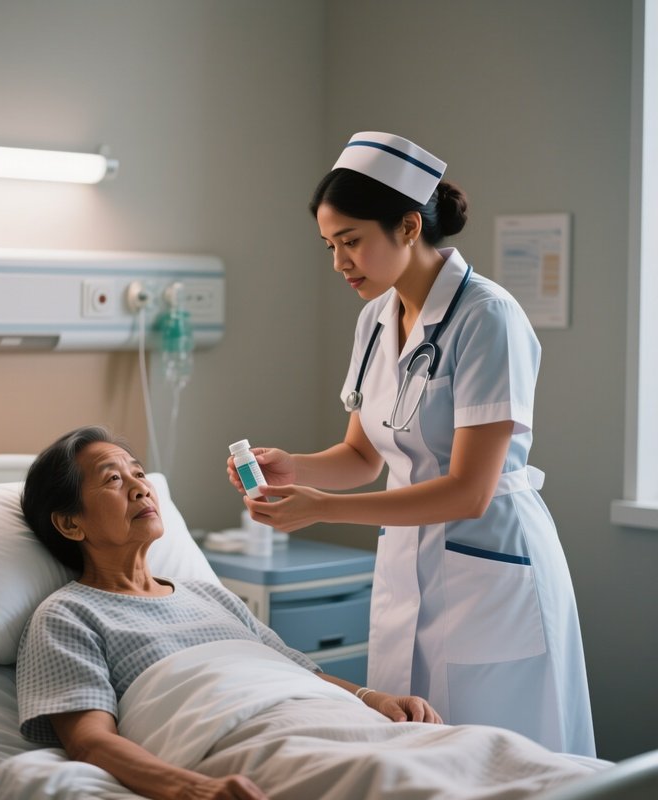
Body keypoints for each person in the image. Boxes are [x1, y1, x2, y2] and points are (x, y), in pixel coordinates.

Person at [226, 132, 595, 757]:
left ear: (406, 225)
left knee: (503, 764)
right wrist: (292, 469)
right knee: (414, 755)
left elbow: (469, 491)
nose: (340, 262)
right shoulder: (375, 317)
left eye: (351, 242)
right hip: (407, 568)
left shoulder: (488, 317)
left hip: (490, 576)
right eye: (330, 246)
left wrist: (321, 507)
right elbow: (365, 456)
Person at [16, 425, 443, 800]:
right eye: (113, 479)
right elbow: (89, 743)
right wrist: (192, 789)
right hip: (256, 742)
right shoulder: (68, 615)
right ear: (71, 524)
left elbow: (299, 671)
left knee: (479, 757)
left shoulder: (210, 594)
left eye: (139, 473)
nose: (141, 488)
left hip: (334, 717)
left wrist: (376, 699)